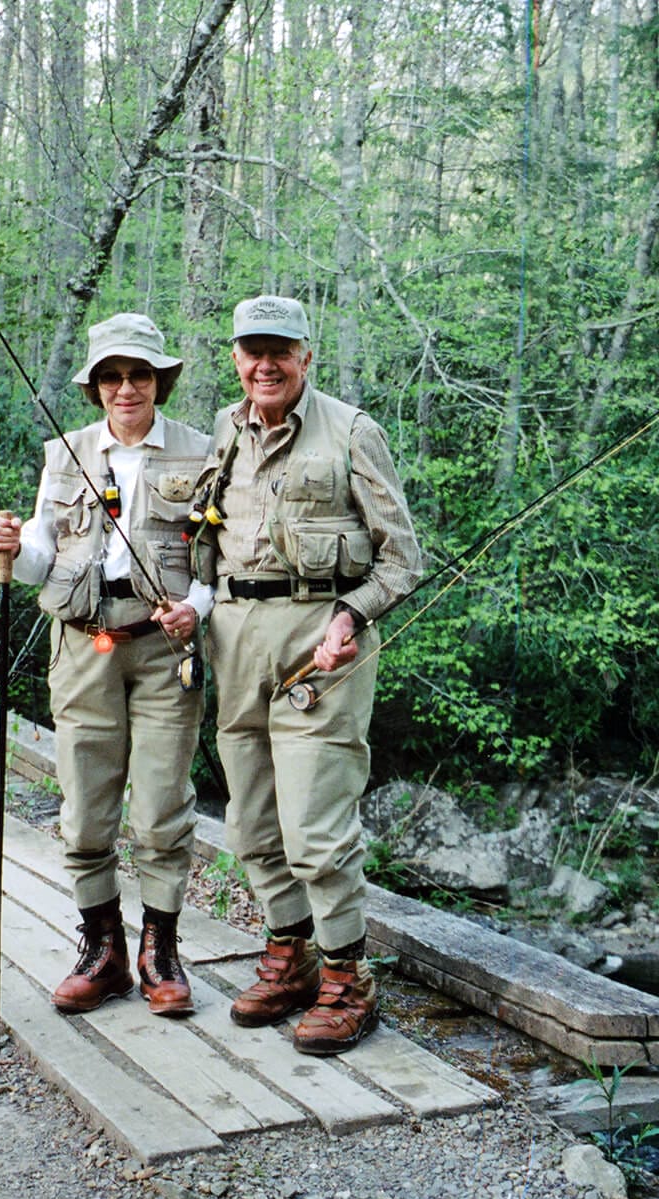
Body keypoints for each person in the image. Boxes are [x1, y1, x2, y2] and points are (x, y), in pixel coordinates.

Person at [195, 294, 422, 1056]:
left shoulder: (354, 431)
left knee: (317, 828)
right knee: (251, 821)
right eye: (252, 350)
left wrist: (349, 618)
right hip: (234, 637)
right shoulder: (224, 432)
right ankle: (288, 954)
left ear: (305, 357)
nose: (265, 364)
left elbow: (403, 560)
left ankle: (347, 978)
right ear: (235, 356)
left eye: (280, 351)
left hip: (320, 643)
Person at [0, 313, 212, 1018]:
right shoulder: (64, 453)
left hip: (164, 650)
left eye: (139, 374)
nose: (126, 388)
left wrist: (195, 609)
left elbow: (219, 564)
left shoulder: (203, 452)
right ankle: (102, 948)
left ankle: (161, 950)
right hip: (82, 645)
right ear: (96, 387)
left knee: (163, 806)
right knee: (84, 809)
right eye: (112, 376)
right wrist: (10, 546)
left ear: (159, 382)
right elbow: (42, 560)